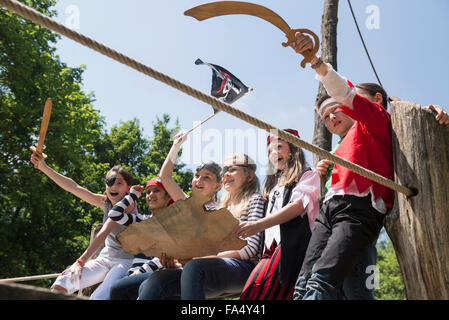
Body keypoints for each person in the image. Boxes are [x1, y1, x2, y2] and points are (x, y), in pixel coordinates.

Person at [289, 32, 396, 300]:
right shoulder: (345, 144)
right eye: (325, 116)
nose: (343, 110)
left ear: (376, 100)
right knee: (304, 283)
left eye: (347, 105)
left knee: (324, 284)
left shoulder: (379, 121)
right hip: (331, 208)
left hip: (359, 208)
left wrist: (315, 61)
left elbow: (344, 93)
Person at [137, 133, 265, 300]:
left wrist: (198, 258)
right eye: (224, 170)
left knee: (194, 268)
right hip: (209, 265)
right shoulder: (217, 208)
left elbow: (249, 249)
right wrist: (176, 146)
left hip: (243, 268)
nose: (225, 174)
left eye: (232, 170)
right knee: (151, 281)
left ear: (249, 176)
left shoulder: (254, 200)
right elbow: (165, 178)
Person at [30, 152, 138, 299]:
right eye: (110, 182)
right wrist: (44, 167)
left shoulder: (128, 204)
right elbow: (73, 187)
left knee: (99, 297)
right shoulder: (104, 202)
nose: (113, 186)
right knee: (62, 282)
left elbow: (103, 233)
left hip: (125, 261)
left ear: (128, 188)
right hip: (106, 258)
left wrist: (80, 262)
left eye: (119, 183)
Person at [235, 128, 321, 300]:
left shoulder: (308, 175)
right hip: (267, 253)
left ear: (294, 150)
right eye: (270, 151)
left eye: (279, 147)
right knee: (250, 294)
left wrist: (258, 225)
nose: (274, 153)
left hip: (290, 250)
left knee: (261, 294)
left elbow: (297, 206)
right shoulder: (271, 187)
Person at [108, 178, 174, 300]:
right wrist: (132, 195)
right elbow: (114, 214)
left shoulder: (171, 226)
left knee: (116, 289)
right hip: (133, 275)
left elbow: (161, 258)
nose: (151, 195)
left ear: (168, 197)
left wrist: (136, 274)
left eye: (157, 191)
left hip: (153, 276)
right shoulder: (140, 219)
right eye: (148, 192)